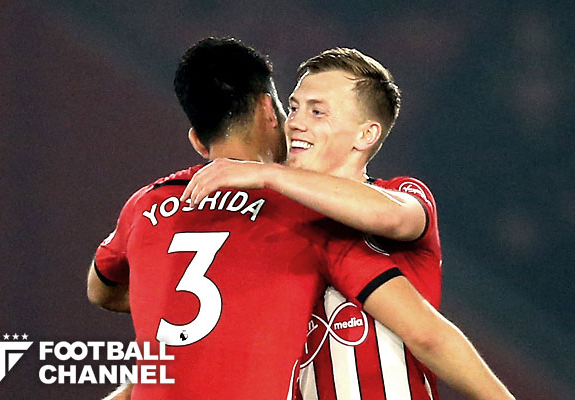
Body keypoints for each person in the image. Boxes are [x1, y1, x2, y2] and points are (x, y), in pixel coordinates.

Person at [182, 48, 515, 400]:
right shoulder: (272, 221)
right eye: (293, 108)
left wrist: (269, 174)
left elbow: (392, 217)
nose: (294, 123)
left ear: (366, 135)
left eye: (317, 112)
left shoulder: (402, 193)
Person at [87, 37, 401, 400]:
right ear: (269, 110)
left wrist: (166, 298)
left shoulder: (146, 204)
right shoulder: (304, 208)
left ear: (198, 142)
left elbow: (99, 290)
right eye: (289, 109)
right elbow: (392, 221)